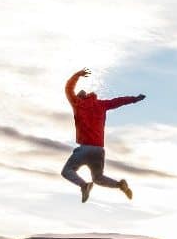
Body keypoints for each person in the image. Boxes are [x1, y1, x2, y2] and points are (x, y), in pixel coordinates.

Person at [60, 67, 146, 203]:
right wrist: (134, 99)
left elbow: (68, 89)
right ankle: (120, 185)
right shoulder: (101, 105)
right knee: (98, 178)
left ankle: (84, 186)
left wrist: (77, 75)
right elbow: (118, 101)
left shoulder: (77, 104)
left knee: (67, 171)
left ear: (80, 97)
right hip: (99, 150)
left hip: (85, 149)